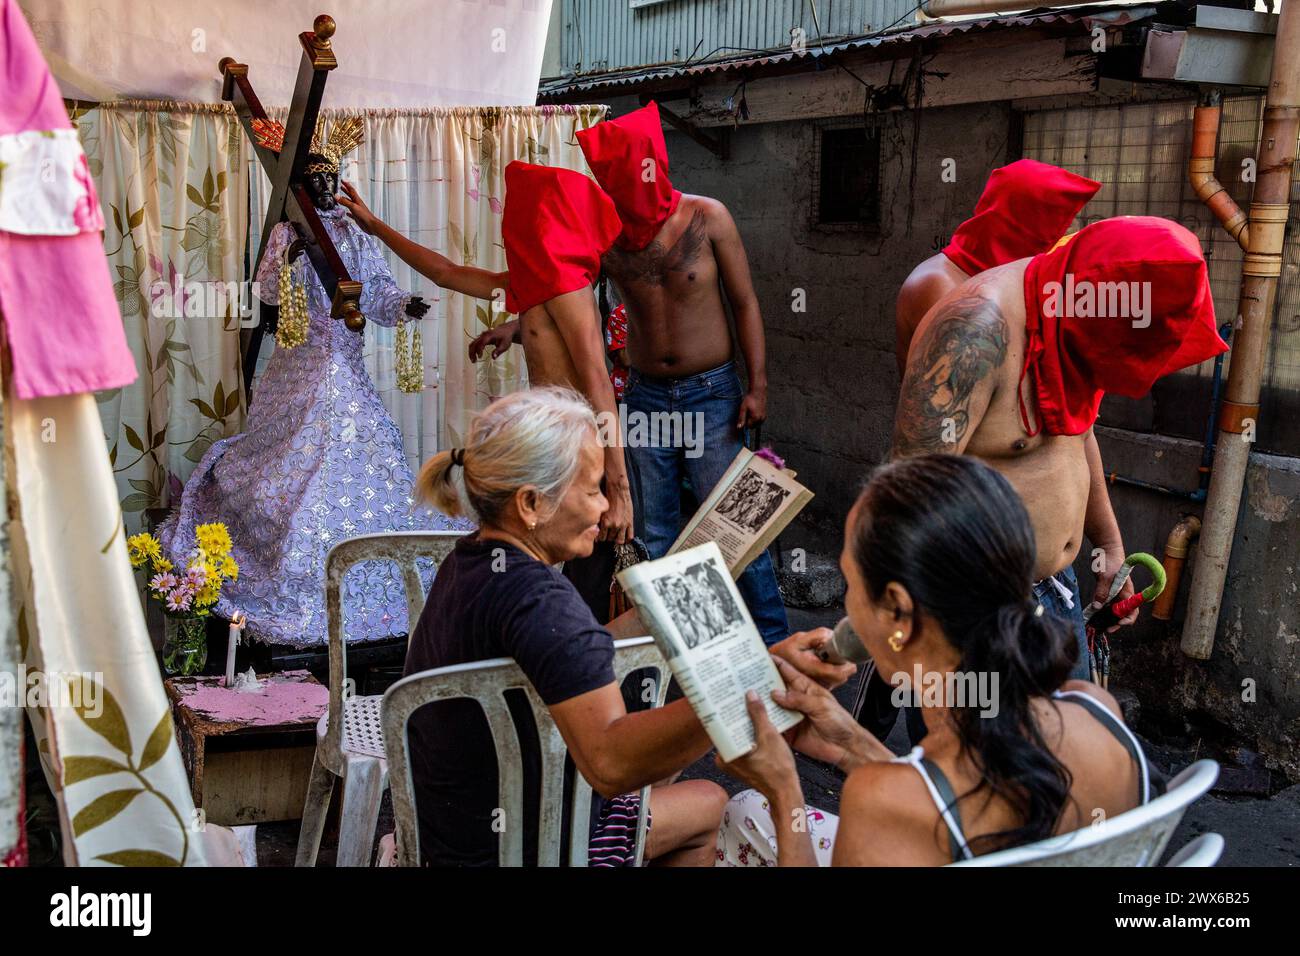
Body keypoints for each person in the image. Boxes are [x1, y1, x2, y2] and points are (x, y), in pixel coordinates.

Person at [716, 454, 1154, 866]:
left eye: (851, 580)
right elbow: (941, 805)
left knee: (746, 810)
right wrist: (851, 742)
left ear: (898, 612)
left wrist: (784, 790)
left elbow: (921, 806)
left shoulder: (879, 802)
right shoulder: (1095, 709)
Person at [468, 103, 790, 645]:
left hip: (713, 393)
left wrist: (757, 384)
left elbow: (745, 302)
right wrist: (516, 329)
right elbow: (560, 289)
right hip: (644, 396)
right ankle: (674, 663)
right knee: (655, 534)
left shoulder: (709, 217)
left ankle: (779, 650)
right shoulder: (609, 235)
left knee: (735, 532)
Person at [160, 120, 471, 647]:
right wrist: (288, 261)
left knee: (355, 454)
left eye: (332, 180)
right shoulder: (287, 231)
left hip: (344, 368)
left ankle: (357, 573)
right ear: (303, 187)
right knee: (289, 461)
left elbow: (375, 293)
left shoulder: (354, 234)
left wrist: (404, 306)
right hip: (297, 365)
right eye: (317, 181)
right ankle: (286, 562)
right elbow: (266, 296)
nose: (326, 189)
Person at [889, 216, 1228, 684]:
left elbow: (1079, 435)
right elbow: (907, 495)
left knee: (1069, 748)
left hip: (1057, 592)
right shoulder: (972, 332)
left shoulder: (1071, 316)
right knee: (983, 757)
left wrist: (1109, 545)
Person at [402, 386, 726, 866]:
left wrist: (662, 610)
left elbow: (567, 653)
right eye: (594, 488)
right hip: (536, 847)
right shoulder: (541, 600)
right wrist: (732, 701)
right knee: (708, 803)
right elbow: (611, 764)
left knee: (664, 770)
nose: (603, 508)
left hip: (457, 835)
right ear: (531, 503)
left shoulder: (471, 561)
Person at [337, 164, 636, 622]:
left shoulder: (568, 288)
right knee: (546, 570)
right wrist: (374, 225)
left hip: (588, 456)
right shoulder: (532, 286)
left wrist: (617, 490)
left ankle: (596, 678)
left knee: (591, 586)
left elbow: (598, 383)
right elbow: (446, 273)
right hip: (556, 452)